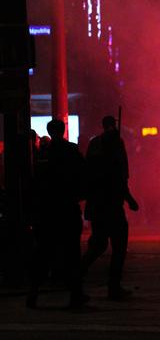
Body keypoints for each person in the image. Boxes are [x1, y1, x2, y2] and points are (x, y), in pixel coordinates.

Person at [27, 119, 88, 308]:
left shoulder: (42, 153)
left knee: (44, 253)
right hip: (67, 209)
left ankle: (33, 294)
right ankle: (76, 294)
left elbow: (36, 182)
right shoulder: (71, 151)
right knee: (72, 255)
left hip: (48, 211)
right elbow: (83, 177)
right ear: (63, 130)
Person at [82, 115, 139, 300]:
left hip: (99, 205)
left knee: (99, 244)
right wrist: (129, 199)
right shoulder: (115, 146)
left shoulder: (94, 145)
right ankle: (113, 286)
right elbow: (121, 177)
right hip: (112, 206)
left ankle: (77, 276)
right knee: (118, 246)